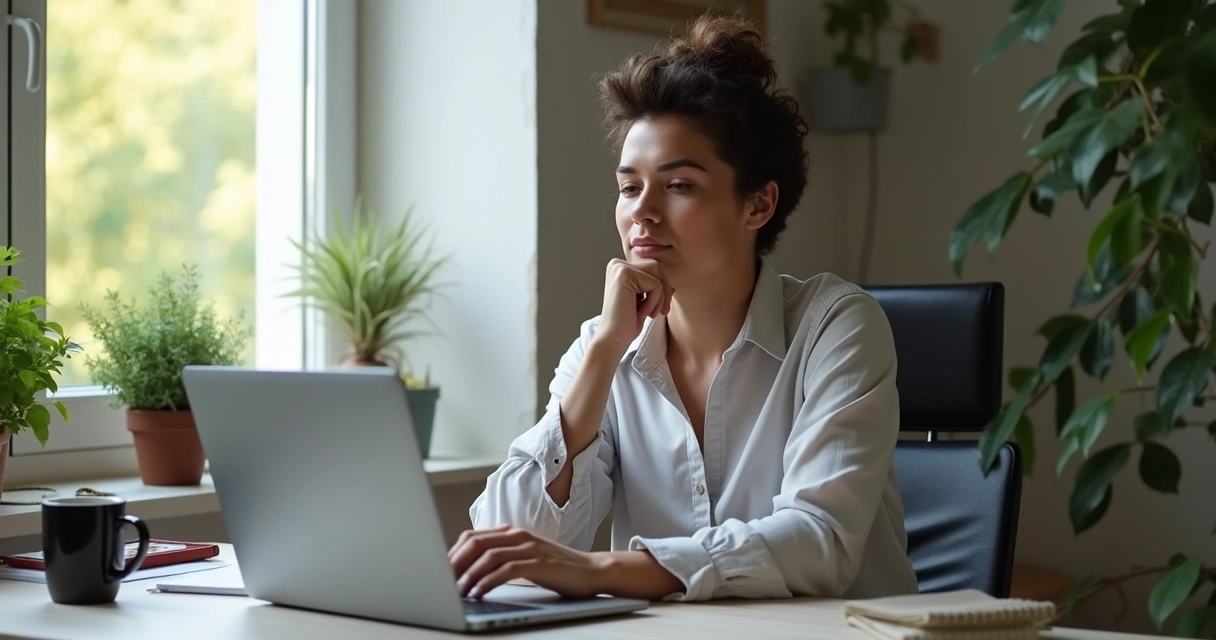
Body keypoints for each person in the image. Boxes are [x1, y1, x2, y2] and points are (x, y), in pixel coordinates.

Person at [448, 14, 919, 602]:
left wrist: (604, 571)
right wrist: (603, 356)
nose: (642, 212)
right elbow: (508, 541)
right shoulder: (605, 344)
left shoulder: (837, 325)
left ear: (758, 204)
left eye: (679, 185)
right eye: (628, 187)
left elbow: (819, 541)